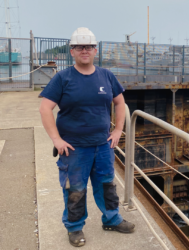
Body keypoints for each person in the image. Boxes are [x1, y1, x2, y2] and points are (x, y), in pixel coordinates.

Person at [39, 27, 135, 247]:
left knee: (107, 185)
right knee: (75, 189)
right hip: (73, 149)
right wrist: (56, 139)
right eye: (79, 47)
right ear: (72, 51)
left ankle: (112, 219)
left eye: (89, 46)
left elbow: (120, 103)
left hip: (102, 145)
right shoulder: (63, 78)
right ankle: (74, 228)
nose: (85, 50)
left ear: (95, 51)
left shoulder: (106, 75)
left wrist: (118, 130)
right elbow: (45, 109)